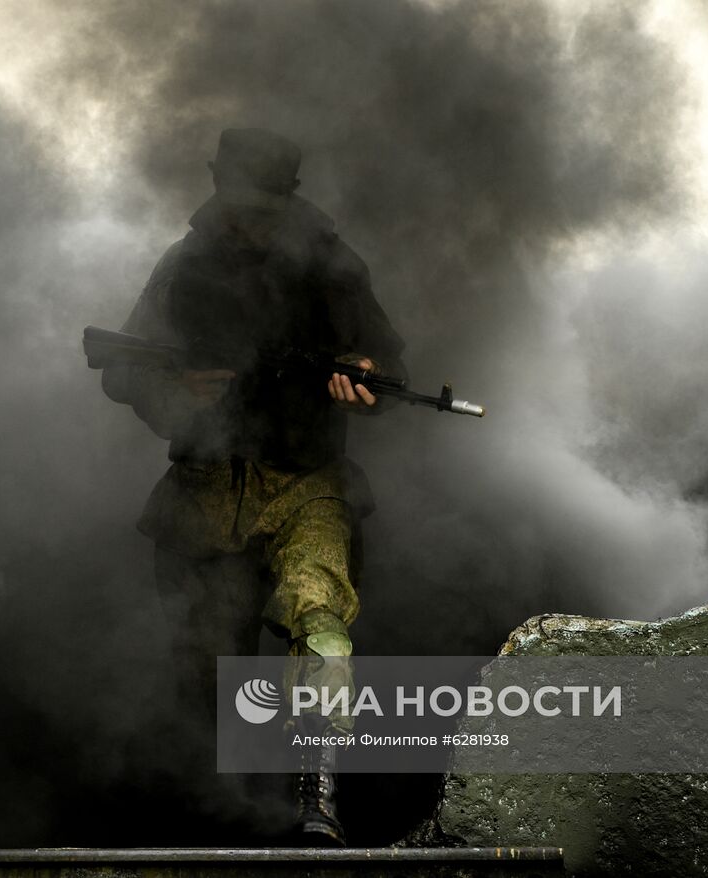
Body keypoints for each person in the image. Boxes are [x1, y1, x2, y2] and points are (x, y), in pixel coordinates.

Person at [101, 128, 407, 846]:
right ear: (216, 184)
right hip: (206, 486)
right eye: (237, 203)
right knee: (207, 659)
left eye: (262, 209)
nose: (246, 222)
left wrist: (364, 377)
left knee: (320, 622)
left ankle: (317, 800)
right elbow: (122, 366)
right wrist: (177, 392)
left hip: (306, 482)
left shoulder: (334, 268)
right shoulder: (184, 265)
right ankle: (222, 815)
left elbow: (389, 368)